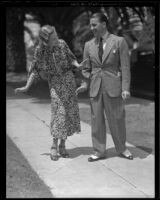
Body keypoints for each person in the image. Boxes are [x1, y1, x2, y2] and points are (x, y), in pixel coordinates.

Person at [15, 25, 87, 161]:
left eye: (56, 35)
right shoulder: (40, 51)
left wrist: (77, 65)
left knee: (68, 114)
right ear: (45, 40)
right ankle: (54, 145)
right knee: (59, 113)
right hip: (55, 84)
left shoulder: (62, 44)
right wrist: (26, 87)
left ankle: (63, 145)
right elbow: (35, 70)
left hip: (69, 81)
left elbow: (71, 58)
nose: (56, 39)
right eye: (53, 38)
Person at [77, 13, 133, 162]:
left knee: (117, 118)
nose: (91, 28)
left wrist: (125, 88)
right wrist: (87, 79)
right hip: (95, 88)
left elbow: (125, 67)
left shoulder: (119, 41)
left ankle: (122, 148)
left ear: (104, 24)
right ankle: (99, 151)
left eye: (94, 24)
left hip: (113, 87)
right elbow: (85, 69)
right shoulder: (88, 45)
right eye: (90, 25)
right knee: (97, 121)